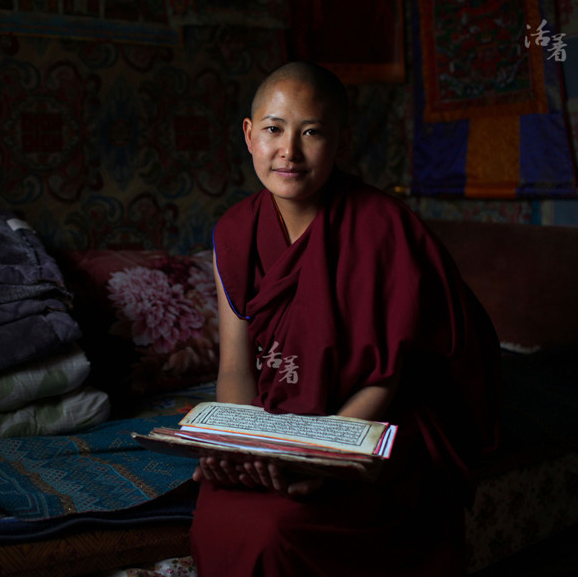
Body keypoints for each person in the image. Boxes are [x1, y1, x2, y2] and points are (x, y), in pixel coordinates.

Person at [189, 61, 501, 576]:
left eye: (311, 132)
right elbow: (236, 369)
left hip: (373, 420)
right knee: (218, 517)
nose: (288, 151)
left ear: (340, 141)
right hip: (284, 421)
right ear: (249, 135)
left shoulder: (381, 227)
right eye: (273, 129)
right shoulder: (235, 231)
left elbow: (388, 376)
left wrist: (322, 457)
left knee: (275, 531)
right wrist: (241, 447)